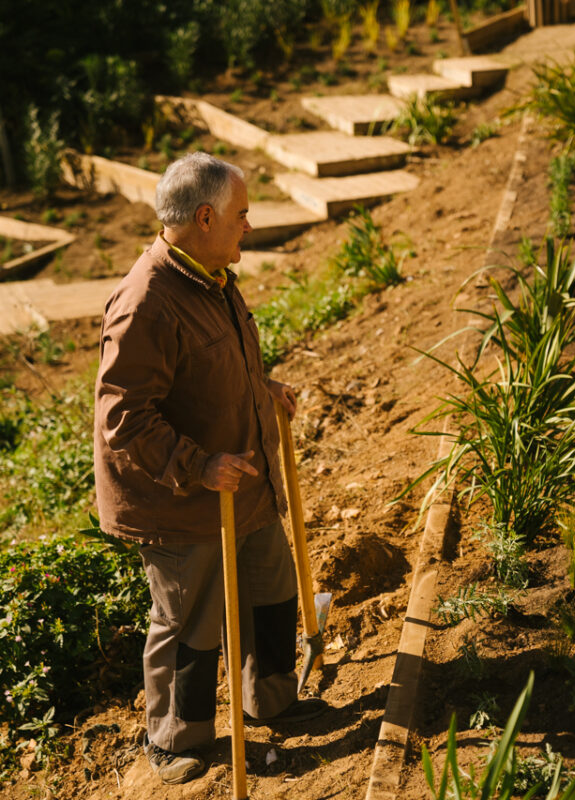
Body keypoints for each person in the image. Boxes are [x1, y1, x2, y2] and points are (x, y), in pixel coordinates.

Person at [93, 152, 326, 786]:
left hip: (240, 481)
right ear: (204, 218)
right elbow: (125, 419)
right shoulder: (146, 302)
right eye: (242, 215)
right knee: (190, 620)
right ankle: (177, 738)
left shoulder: (212, 273)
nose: (248, 227)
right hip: (180, 497)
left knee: (270, 588)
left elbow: (210, 367)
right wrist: (200, 465)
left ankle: (274, 699)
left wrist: (263, 386)